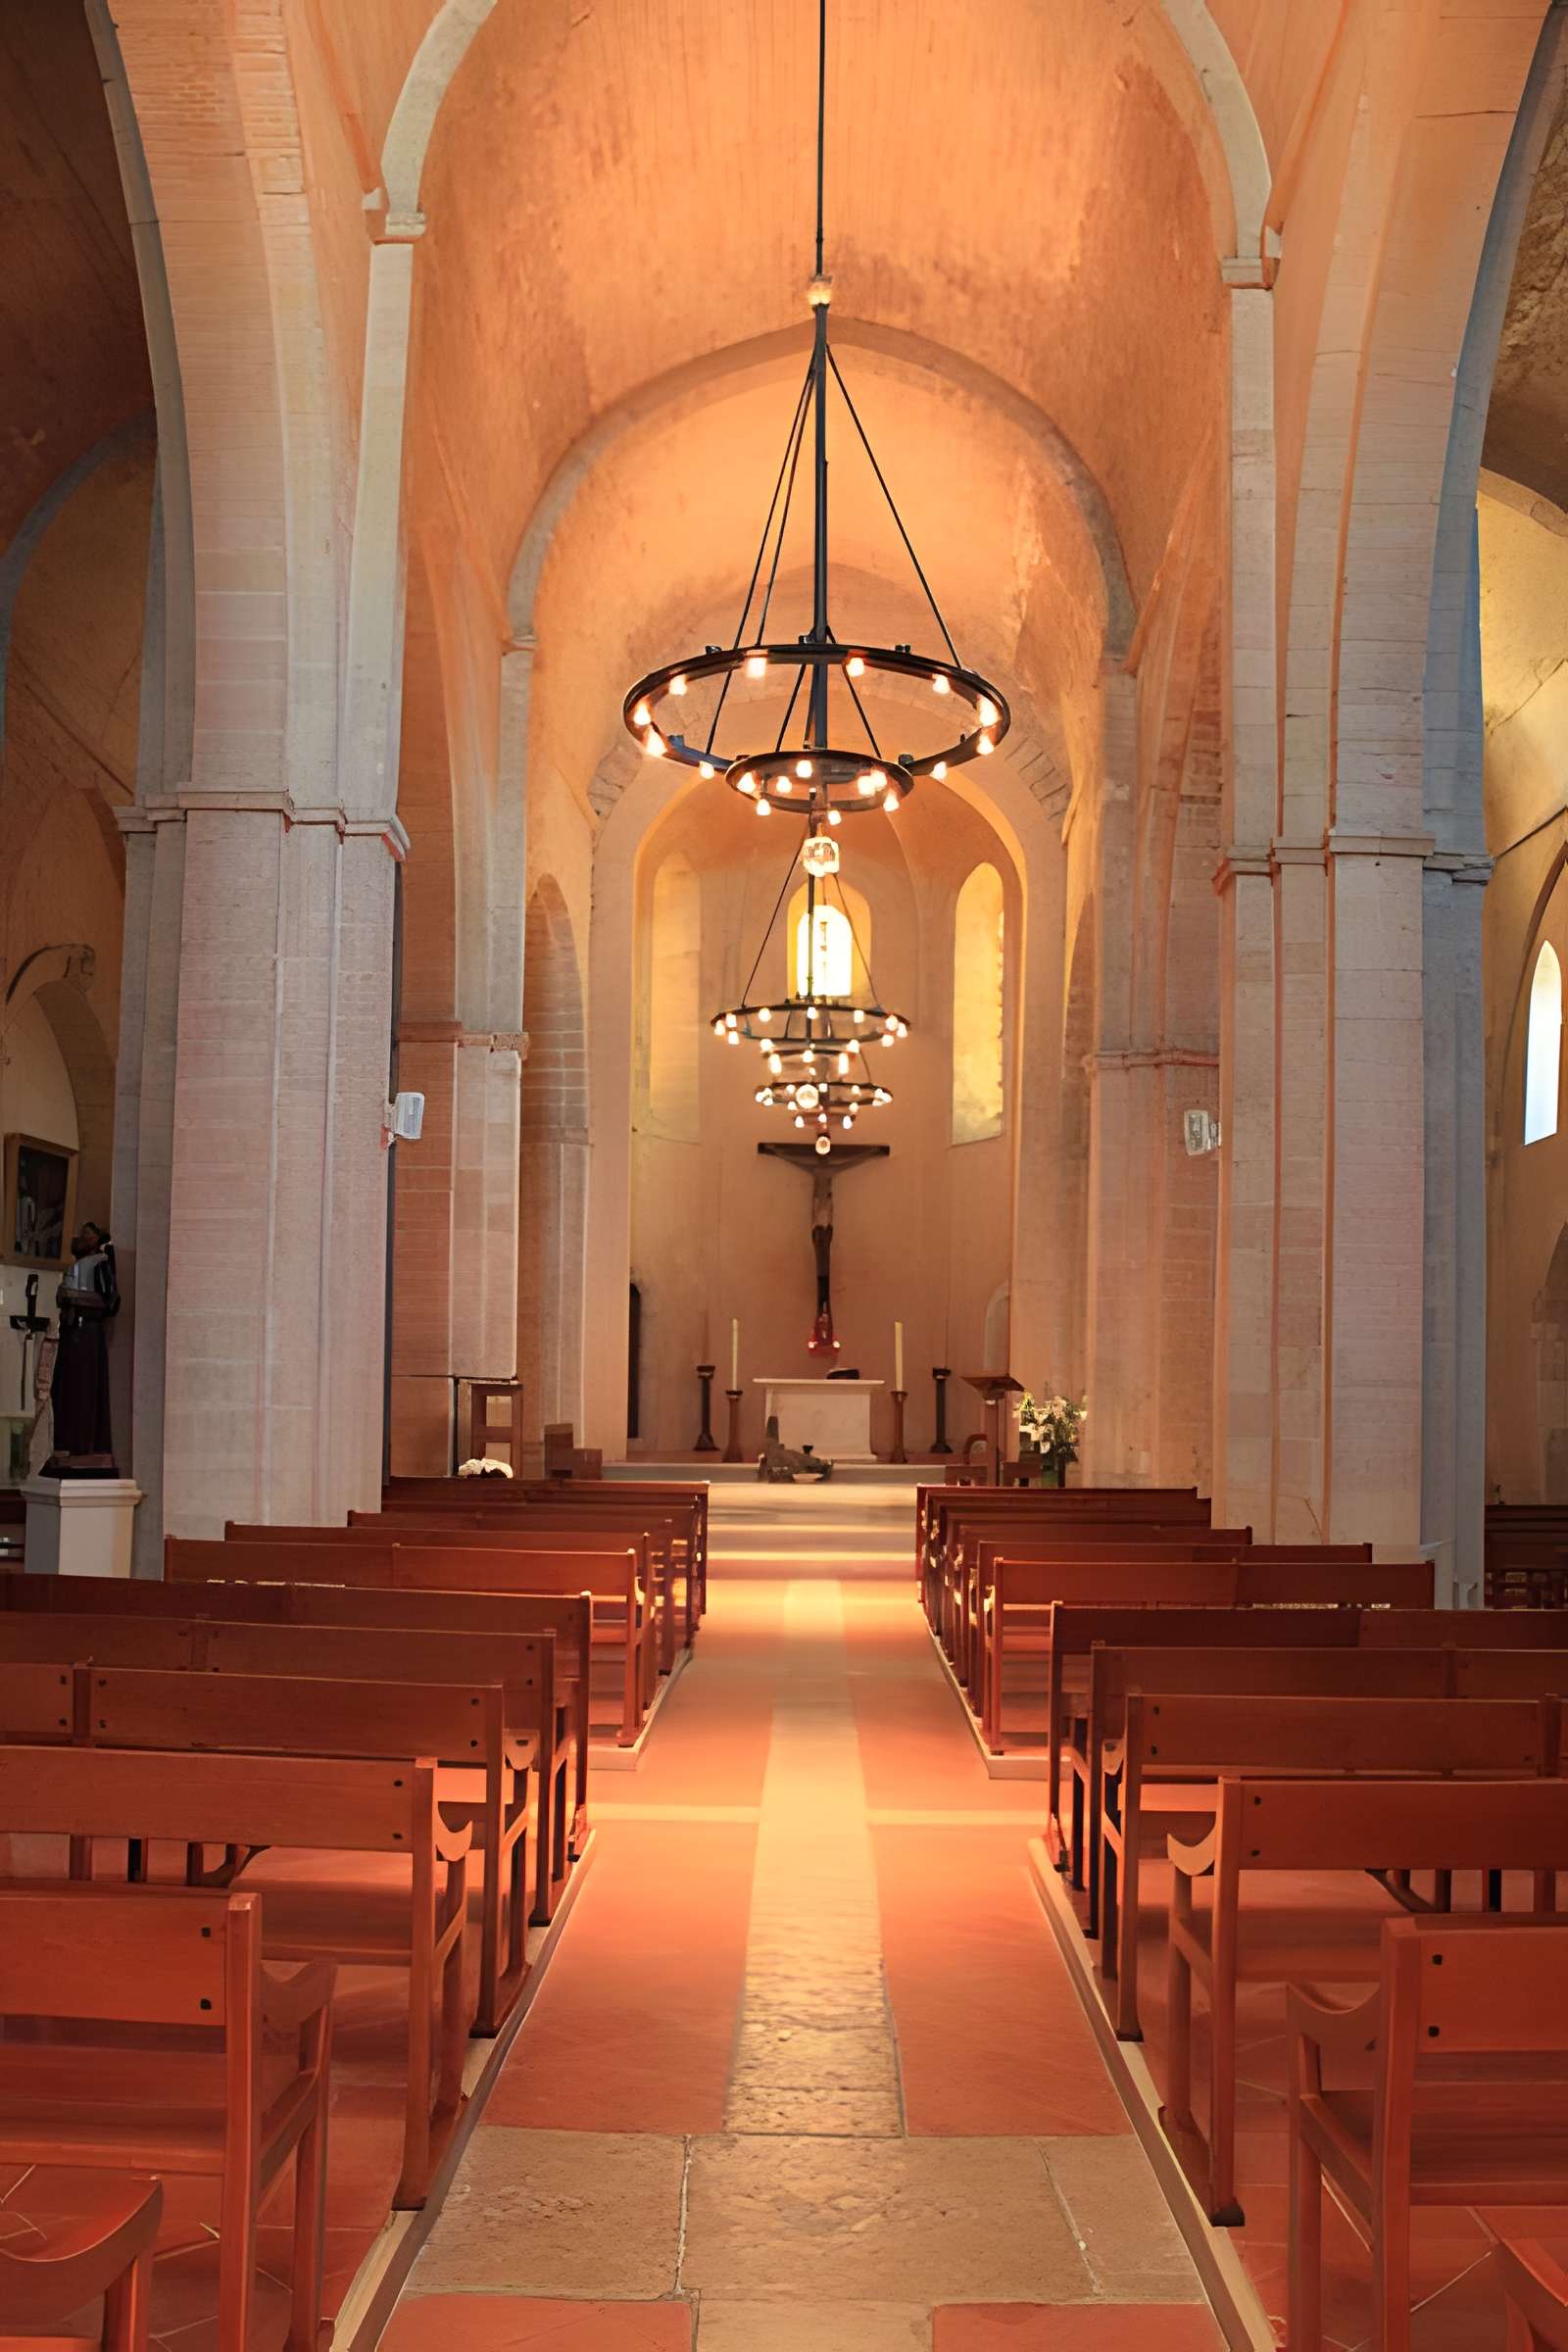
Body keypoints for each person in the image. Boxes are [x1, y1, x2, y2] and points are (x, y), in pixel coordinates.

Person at [43, 1221, 119, 1475]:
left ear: (96, 1241)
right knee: (64, 1388)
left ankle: (82, 1445)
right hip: (72, 1327)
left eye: (85, 1235)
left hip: (85, 1330)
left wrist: (76, 1299)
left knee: (82, 1388)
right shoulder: (79, 1264)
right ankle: (66, 1444)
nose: (79, 1238)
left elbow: (110, 1301)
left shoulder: (100, 1262)